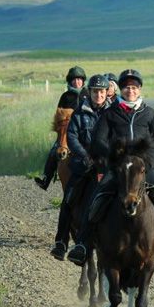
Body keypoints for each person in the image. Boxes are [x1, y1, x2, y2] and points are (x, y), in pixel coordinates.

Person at [66, 69, 154, 268]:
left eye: (134, 87)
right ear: (120, 89)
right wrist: (115, 159)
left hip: (145, 169)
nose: (130, 91)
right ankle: (82, 245)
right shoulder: (110, 114)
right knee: (96, 199)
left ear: (139, 89)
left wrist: (148, 162)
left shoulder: (149, 113)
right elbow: (98, 141)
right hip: (117, 169)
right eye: (126, 87)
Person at [49, 74, 110, 260]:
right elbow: (72, 137)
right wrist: (85, 156)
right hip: (84, 165)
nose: (98, 95)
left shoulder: (113, 112)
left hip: (106, 165)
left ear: (106, 93)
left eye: (101, 92)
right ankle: (61, 242)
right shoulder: (79, 113)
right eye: (94, 92)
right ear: (89, 92)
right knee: (69, 199)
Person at [35, 66, 87, 190]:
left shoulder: (88, 94)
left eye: (79, 79)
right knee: (54, 150)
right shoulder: (66, 96)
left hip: (84, 129)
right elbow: (59, 114)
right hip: (67, 131)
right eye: (74, 79)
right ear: (70, 81)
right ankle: (46, 179)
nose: (77, 82)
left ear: (83, 81)